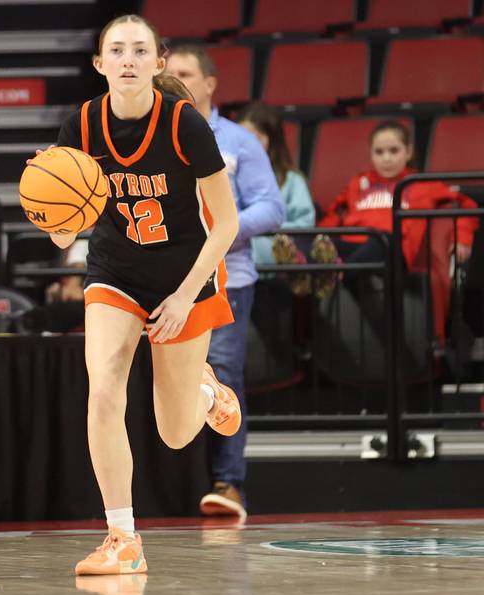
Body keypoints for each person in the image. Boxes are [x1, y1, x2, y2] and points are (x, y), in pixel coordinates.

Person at [44, 14, 242, 575]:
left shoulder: (185, 125)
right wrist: (57, 217)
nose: (127, 59)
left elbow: (224, 224)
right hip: (114, 270)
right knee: (104, 385)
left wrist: (182, 299)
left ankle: (206, 395)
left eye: (139, 50)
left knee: (176, 433)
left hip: (186, 275)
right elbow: (65, 231)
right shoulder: (80, 126)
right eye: (116, 50)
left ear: (157, 63)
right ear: (100, 64)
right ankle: (122, 539)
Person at [166, 46, 284, 519]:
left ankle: (228, 484)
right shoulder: (153, 134)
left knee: (224, 378)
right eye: (168, 73)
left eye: (186, 74)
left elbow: (271, 206)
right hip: (163, 279)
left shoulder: (238, 141)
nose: (175, 81)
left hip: (226, 276)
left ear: (211, 83)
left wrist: (218, 225)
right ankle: (168, 488)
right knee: (167, 382)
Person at [277, 120, 478, 343]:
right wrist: (319, 238)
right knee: (309, 239)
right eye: (379, 152)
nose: (387, 158)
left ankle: (329, 273)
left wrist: (464, 238)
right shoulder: (358, 183)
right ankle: (306, 270)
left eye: (394, 151)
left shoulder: (421, 184)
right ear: (371, 154)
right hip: (354, 247)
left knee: (378, 240)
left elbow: (465, 204)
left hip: (391, 249)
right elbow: (335, 214)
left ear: (408, 152)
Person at [237, 102, 316, 295]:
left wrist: (262, 226)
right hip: (236, 268)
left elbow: (305, 223)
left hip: (275, 271)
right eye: (243, 138)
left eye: (256, 138)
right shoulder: (226, 175)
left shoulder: (291, 179)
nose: (248, 145)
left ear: (272, 140)